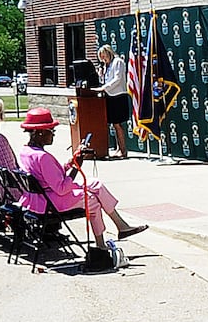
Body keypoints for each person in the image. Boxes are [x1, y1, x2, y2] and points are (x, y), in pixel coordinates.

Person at [15, 107, 146, 254]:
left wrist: (71, 162)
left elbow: (51, 176)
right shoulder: (42, 157)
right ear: (39, 132)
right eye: (51, 131)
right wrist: (78, 165)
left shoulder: (26, 151)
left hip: (37, 198)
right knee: (92, 200)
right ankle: (102, 243)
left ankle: (121, 226)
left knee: (95, 183)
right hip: (50, 201)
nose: (53, 135)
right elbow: (62, 188)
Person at [100, 45, 132, 159]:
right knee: (114, 124)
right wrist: (101, 74)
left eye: (104, 57)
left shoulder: (118, 62)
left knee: (118, 124)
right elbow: (105, 79)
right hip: (109, 96)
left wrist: (105, 87)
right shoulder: (106, 66)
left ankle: (123, 150)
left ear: (109, 53)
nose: (104, 60)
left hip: (118, 95)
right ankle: (118, 148)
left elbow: (117, 79)